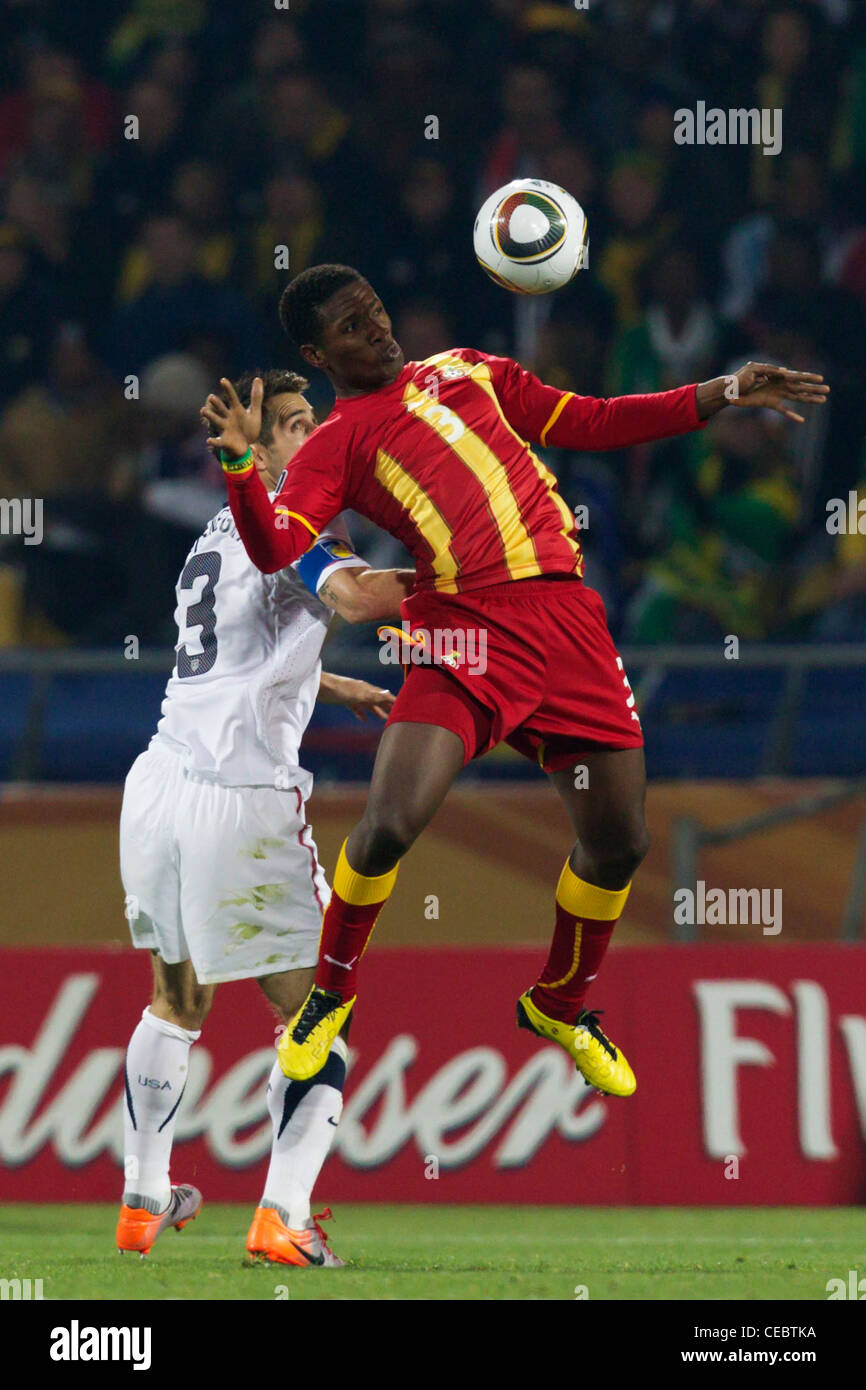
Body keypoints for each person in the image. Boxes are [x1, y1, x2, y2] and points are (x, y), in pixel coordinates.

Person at [207, 264, 828, 1097]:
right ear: (320, 353)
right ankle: (330, 992)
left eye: (378, 311)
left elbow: (597, 421)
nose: (379, 329)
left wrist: (721, 390)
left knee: (621, 841)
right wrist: (246, 467)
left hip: (566, 623)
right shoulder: (337, 443)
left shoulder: (475, 370)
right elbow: (278, 547)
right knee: (391, 822)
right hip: (463, 629)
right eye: (354, 328)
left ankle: (560, 1003)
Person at [118, 367, 412, 1266]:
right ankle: (284, 1214)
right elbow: (358, 598)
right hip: (238, 802)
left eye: (312, 419)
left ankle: (143, 1197)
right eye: (290, 424)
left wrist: (319, 677)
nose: (310, 434)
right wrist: (474, 569)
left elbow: (229, 650)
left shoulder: (217, 532)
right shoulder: (295, 524)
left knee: (177, 1000)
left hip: (159, 783)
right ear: (259, 442)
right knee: (322, 1012)